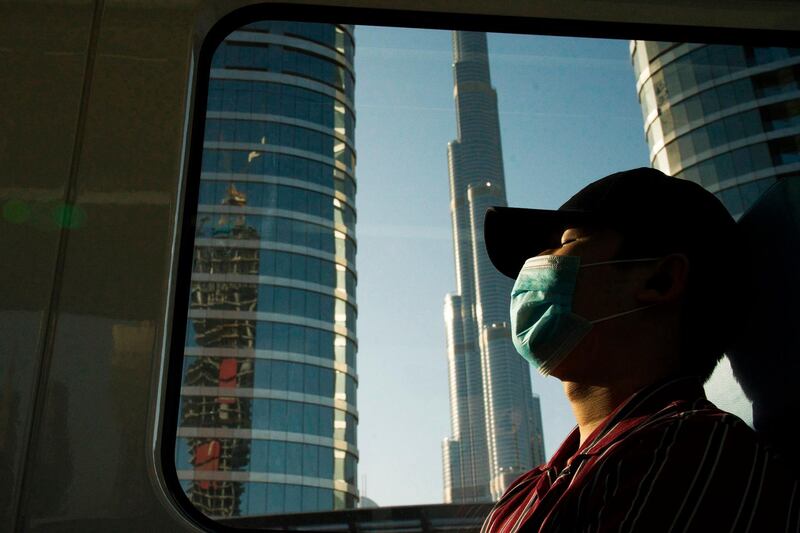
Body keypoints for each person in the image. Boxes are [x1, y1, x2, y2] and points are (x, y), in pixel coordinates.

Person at [480, 167, 799, 532]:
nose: (530, 270)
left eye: (564, 242)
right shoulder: (524, 491)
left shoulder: (687, 452)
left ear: (660, 280)